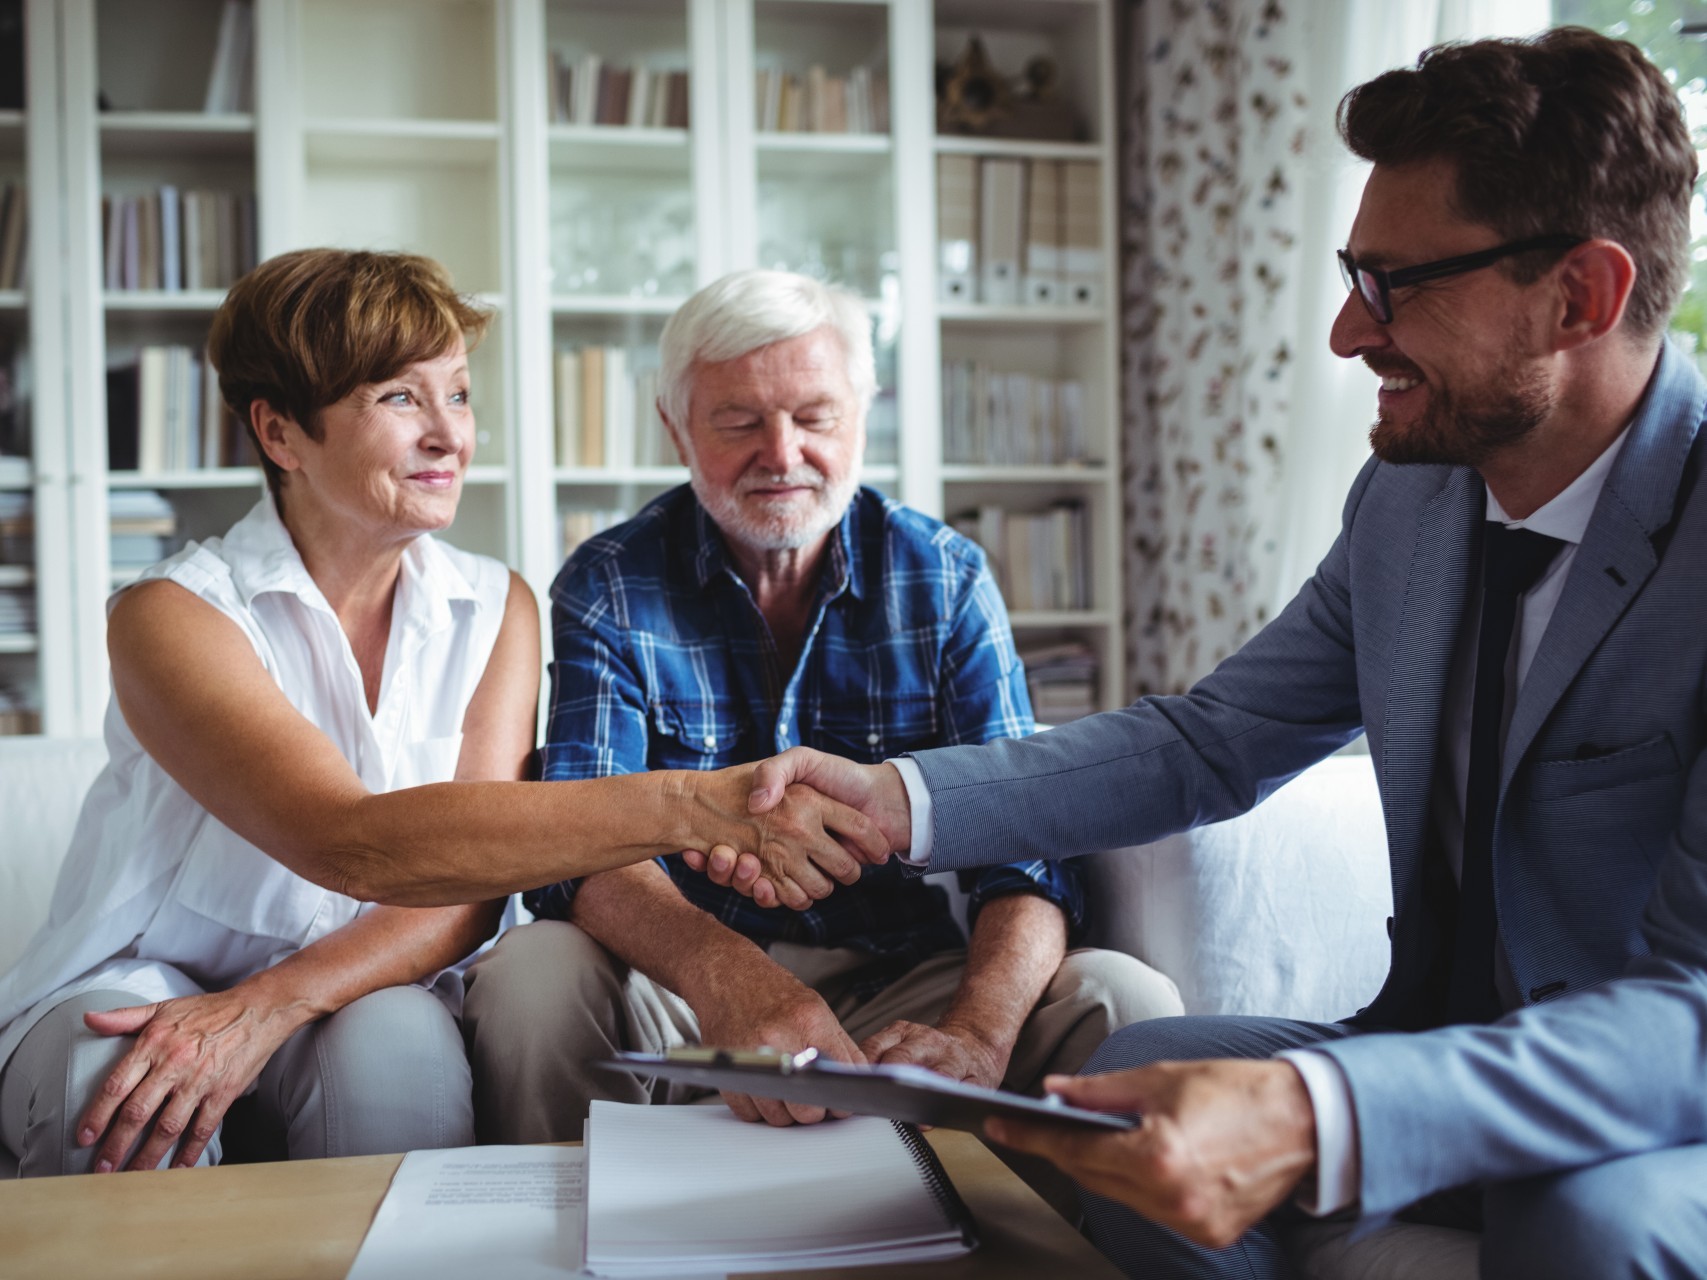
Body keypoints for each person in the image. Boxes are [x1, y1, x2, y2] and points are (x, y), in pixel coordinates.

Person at [731, 28, 1707, 1279]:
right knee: (1124, 1082)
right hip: (1433, 1040)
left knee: (1586, 1222)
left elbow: (1689, 1015)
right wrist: (896, 799)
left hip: (1651, 1108)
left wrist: (1320, 1112)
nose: (1352, 335)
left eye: (1399, 285)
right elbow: (1209, 740)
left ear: (1582, 294)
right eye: (1357, 275)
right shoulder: (1409, 504)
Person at [0, 249, 882, 1179]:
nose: (449, 436)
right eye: (397, 399)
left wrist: (273, 1004)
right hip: (145, 972)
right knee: (117, 1088)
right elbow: (350, 842)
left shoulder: (497, 605)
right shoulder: (170, 615)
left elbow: (466, 888)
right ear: (281, 433)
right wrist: (700, 805)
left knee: (404, 1062)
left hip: (362, 972)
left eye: (456, 396)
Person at [461, 271, 1180, 1209]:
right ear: (675, 427)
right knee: (532, 972)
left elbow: (1028, 853)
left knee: (1125, 1000)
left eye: (814, 415)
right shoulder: (609, 582)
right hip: (683, 991)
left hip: (903, 988)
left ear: (863, 415)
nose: (783, 454)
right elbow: (578, 854)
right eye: (738, 422)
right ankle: (563, 1249)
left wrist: (975, 1034)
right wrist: (734, 981)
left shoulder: (946, 576)